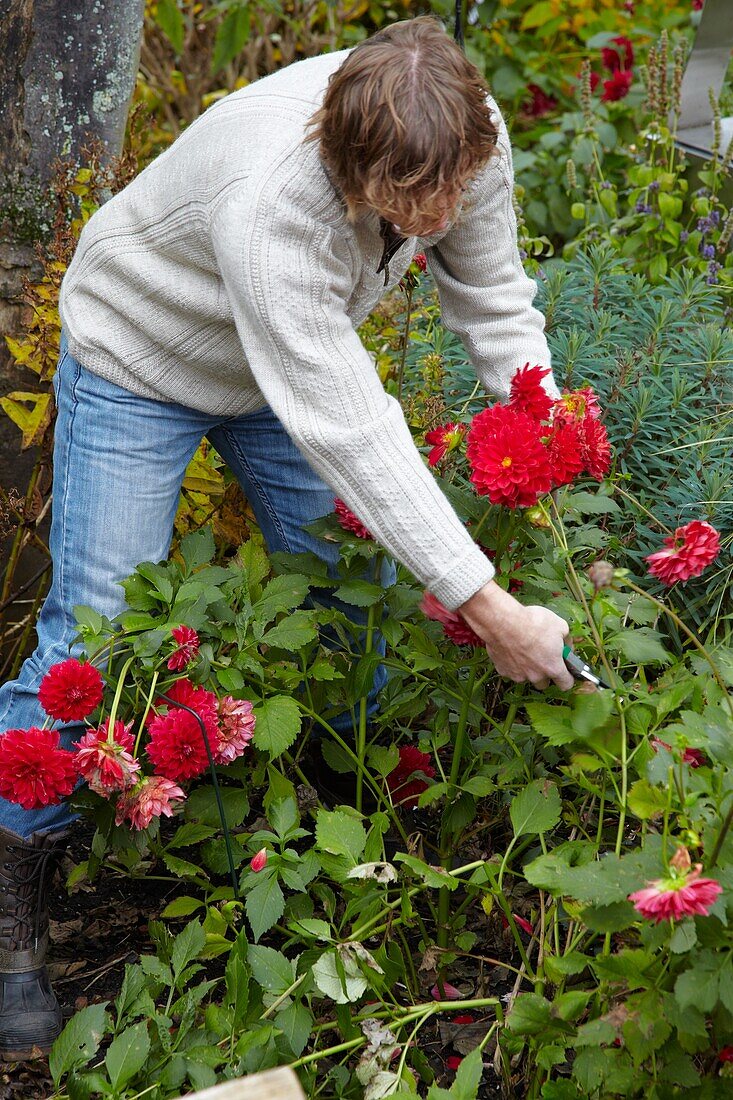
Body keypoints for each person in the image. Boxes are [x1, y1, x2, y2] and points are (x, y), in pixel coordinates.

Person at [0, 16, 574, 1056]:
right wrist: (488, 606)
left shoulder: (462, 138)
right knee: (95, 635)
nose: (435, 217)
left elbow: (492, 299)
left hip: (282, 365)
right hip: (145, 355)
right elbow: (353, 425)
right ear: (346, 161)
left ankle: (352, 844)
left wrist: (552, 443)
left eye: (448, 192)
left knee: (350, 594)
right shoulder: (278, 203)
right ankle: (12, 897)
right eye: (407, 205)